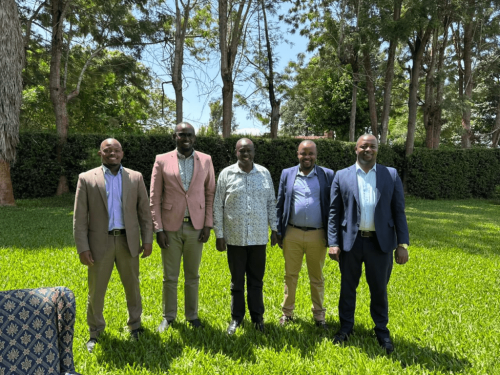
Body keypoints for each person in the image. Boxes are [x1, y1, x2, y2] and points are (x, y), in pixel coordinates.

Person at [328, 134, 409, 354]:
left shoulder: (390, 175)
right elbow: (334, 212)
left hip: (380, 244)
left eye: (372, 146)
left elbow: (398, 211)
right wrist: (333, 243)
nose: (368, 149)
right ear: (356, 149)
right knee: (347, 289)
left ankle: (382, 331)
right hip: (350, 244)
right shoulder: (341, 175)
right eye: (364, 146)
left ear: (377, 149)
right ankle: (345, 328)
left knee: (379, 290)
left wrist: (402, 243)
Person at [73, 138, 153, 353]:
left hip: (128, 241)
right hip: (100, 243)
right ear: (100, 153)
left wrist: (147, 240)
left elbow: (145, 213)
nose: (112, 153)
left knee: (133, 287)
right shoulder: (86, 178)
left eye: (116, 150)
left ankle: (135, 326)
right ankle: (95, 331)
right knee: (96, 290)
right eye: (107, 150)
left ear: (122, 153)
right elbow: (80, 218)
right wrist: (82, 247)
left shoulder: (135, 177)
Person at [150, 122, 215, 332]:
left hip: (196, 226)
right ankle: (169, 316)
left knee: (192, 275)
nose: (185, 138)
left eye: (189, 135)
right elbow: (154, 196)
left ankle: (192, 315)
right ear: (174, 137)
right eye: (181, 135)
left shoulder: (205, 160)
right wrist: (158, 228)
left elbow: (210, 193)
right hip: (170, 228)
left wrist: (207, 224)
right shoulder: (161, 160)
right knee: (170, 276)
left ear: (194, 138)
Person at [213, 138, 278, 335]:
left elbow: (271, 203)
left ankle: (258, 318)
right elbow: (218, 205)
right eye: (242, 151)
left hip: (258, 237)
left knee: (256, 280)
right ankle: (236, 318)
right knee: (237, 281)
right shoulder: (226, 174)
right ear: (236, 152)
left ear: (254, 152)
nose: (246, 154)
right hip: (235, 238)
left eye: (249, 150)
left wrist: (274, 229)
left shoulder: (264, 173)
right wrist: (219, 234)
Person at [276, 140, 334, 330]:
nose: (307, 157)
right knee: (290, 275)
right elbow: (280, 202)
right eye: (303, 153)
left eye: (311, 153)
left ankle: (319, 316)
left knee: (316, 277)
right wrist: (277, 230)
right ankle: (287, 313)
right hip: (292, 232)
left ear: (316, 155)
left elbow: (333, 206)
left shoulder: (327, 175)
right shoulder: (287, 174)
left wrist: (333, 237)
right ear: (297, 154)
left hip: (317, 234)